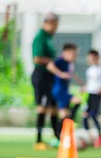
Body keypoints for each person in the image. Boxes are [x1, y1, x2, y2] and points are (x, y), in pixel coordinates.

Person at [31, 12, 59, 150]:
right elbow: (37, 58)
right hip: (41, 75)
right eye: (55, 25)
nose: (56, 29)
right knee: (42, 107)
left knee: (54, 106)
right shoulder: (40, 37)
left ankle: (57, 137)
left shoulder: (48, 37)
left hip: (50, 77)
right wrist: (53, 61)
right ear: (49, 23)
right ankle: (39, 140)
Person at [47, 43, 84, 140]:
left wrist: (82, 84)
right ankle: (58, 136)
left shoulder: (69, 64)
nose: (75, 56)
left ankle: (66, 128)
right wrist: (61, 74)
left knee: (74, 105)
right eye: (73, 54)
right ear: (66, 53)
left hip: (64, 91)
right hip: (59, 91)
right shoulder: (60, 61)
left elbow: (73, 75)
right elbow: (50, 66)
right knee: (64, 113)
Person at [83, 49, 101, 148]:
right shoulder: (89, 70)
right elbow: (89, 83)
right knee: (85, 115)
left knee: (94, 115)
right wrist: (84, 88)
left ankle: (100, 136)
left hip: (98, 95)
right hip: (90, 94)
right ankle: (89, 136)